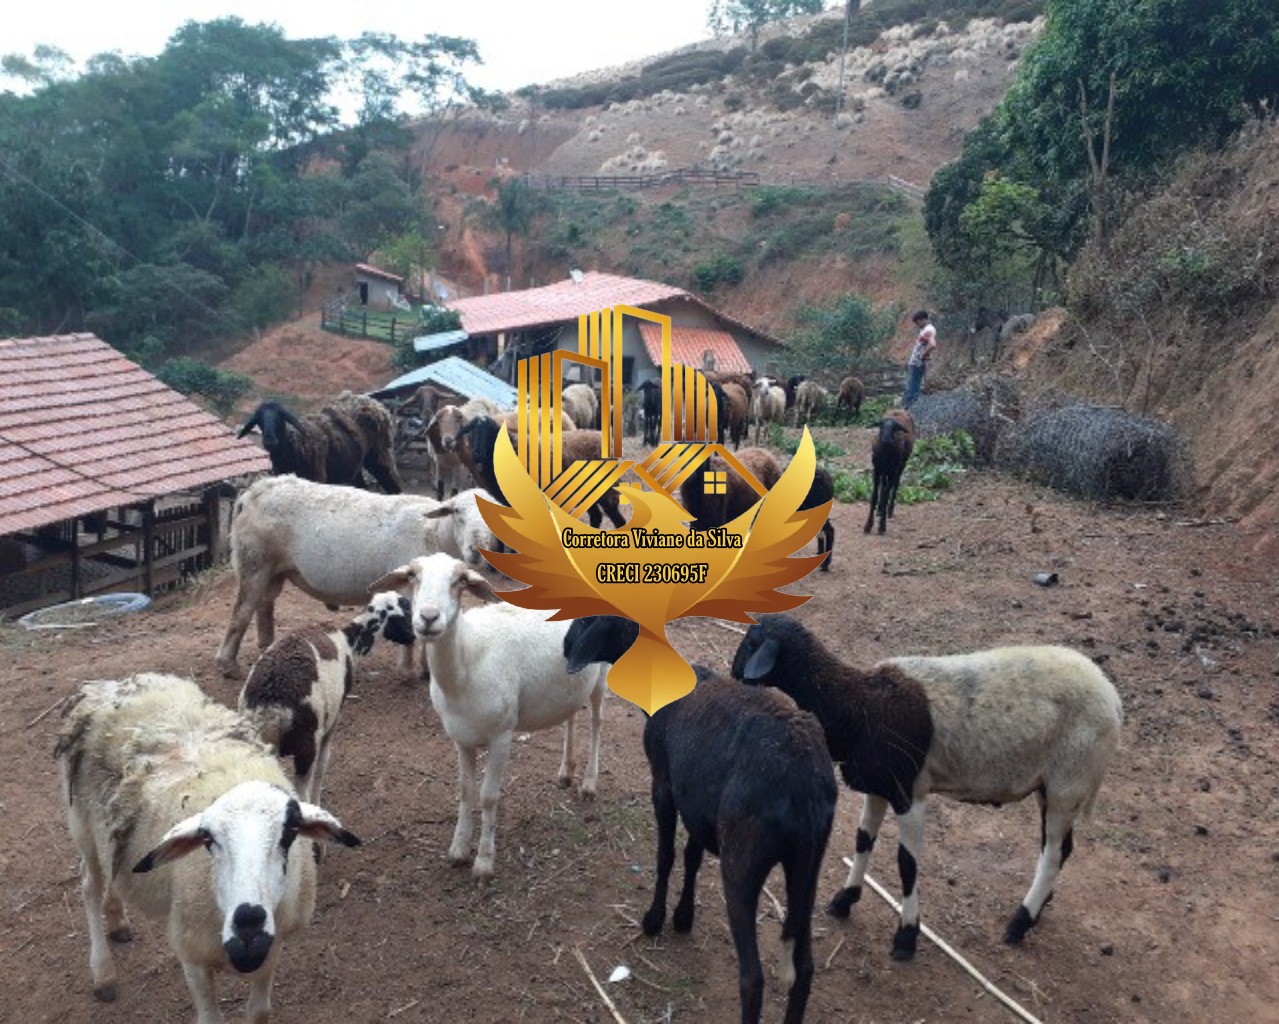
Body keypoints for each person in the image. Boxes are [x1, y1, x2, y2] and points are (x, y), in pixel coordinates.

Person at [902, 310, 937, 408]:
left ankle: (909, 411)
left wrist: (923, 355)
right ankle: (909, 410)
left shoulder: (929, 330)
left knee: (912, 389)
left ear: (923, 320)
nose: (917, 325)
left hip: (917, 364)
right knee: (912, 387)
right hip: (916, 363)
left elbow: (933, 345)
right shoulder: (926, 330)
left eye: (918, 322)